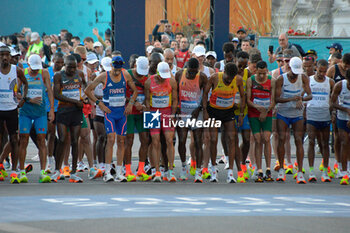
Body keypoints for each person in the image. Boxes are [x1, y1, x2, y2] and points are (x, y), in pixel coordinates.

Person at [84, 56, 138, 182]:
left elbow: (135, 91)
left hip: (121, 113)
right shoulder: (104, 76)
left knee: (121, 141)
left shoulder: (125, 75)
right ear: (111, 66)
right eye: (115, 69)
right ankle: (107, 172)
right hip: (110, 112)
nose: (117, 71)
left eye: (119, 69)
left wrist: (130, 104)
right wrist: (99, 103)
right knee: (111, 139)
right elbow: (88, 90)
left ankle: (119, 172)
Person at [51, 55, 98, 183]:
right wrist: (74, 101)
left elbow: (85, 89)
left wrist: (86, 99)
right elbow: (56, 94)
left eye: (74, 67)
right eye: (69, 67)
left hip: (76, 112)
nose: (72, 70)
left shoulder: (80, 74)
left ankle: (73, 172)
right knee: (62, 140)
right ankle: (57, 170)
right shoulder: (58, 76)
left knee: (75, 141)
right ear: (64, 65)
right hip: (63, 111)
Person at [203, 63, 245, 183]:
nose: (229, 80)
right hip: (214, 112)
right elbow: (205, 93)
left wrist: (241, 114)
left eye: (231, 78)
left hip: (228, 112)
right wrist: (205, 111)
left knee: (232, 139)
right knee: (213, 139)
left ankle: (230, 173)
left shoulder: (238, 80)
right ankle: (213, 171)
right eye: (227, 77)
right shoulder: (215, 77)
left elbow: (243, 96)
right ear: (224, 72)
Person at [275, 57, 312, 183]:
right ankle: (281, 168)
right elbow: (276, 98)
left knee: (298, 141)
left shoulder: (304, 77)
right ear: (289, 67)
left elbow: (310, 95)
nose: (296, 75)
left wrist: (302, 99)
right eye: (294, 72)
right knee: (281, 139)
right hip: (283, 113)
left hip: (297, 113)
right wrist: (291, 99)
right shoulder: (281, 78)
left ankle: (300, 171)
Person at [18, 54, 54, 183]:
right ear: (28, 65)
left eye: (36, 68)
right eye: (33, 69)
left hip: (40, 112)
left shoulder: (44, 73)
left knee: (41, 139)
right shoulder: (22, 72)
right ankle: (21, 171)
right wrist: (28, 99)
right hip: (26, 112)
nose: (35, 71)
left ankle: (43, 172)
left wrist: (51, 110)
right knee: (23, 140)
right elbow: (17, 92)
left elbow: (49, 90)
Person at [144, 62, 178, 182]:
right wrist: (148, 114)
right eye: (162, 75)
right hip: (153, 113)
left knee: (169, 140)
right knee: (155, 141)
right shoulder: (149, 82)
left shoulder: (172, 81)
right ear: (157, 73)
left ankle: (170, 171)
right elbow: (147, 100)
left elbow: (175, 100)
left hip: (167, 112)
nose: (164, 78)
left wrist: (173, 115)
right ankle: (157, 171)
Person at [175, 58, 207, 183]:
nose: (192, 74)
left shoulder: (202, 77)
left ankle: (198, 171)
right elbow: (175, 92)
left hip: (196, 112)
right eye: (190, 72)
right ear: (186, 68)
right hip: (182, 112)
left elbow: (205, 96)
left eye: (195, 72)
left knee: (199, 141)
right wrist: (177, 107)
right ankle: (184, 167)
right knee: (182, 140)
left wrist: (200, 109)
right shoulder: (179, 75)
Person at [0, 46, 28, 184]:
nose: (5, 57)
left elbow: (26, 83)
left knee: (14, 139)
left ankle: (15, 170)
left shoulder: (15, 69)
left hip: (11, 109)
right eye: (2, 55)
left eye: (7, 55)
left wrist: (23, 99)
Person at [247, 60, 275, 182]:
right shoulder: (251, 80)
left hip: (267, 113)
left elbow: (273, 100)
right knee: (258, 139)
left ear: (267, 71)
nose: (262, 76)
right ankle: (259, 170)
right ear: (255, 71)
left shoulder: (272, 80)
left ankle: (268, 168)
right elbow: (248, 100)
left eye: (264, 73)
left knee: (267, 138)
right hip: (254, 113)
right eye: (259, 73)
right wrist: (257, 108)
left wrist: (266, 111)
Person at [306, 59, 334, 182]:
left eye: (324, 71)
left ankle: (325, 171)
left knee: (324, 143)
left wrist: (333, 112)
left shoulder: (330, 82)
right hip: (312, 113)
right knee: (311, 141)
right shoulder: (309, 80)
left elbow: (334, 99)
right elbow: (303, 95)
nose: (322, 73)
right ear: (316, 68)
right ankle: (311, 171)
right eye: (320, 70)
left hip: (325, 114)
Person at [124, 56, 151, 182]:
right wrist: (134, 103)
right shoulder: (126, 74)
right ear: (135, 66)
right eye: (139, 73)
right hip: (129, 111)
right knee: (128, 141)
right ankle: (127, 170)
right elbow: (120, 93)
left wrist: (145, 106)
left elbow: (148, 95)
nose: (141, 75)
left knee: (145, 139)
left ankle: (141, 169)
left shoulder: (148, 77)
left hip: (142, 113)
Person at [326, 53, 350, 176]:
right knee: (339, 139)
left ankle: (347, 166)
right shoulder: (334, 71)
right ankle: (339, 164)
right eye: (345, 65)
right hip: (338, 111)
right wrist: (335, 111)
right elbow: (328, 92)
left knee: (347, 141)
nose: (346, 68)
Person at [331, 69, 350, 185]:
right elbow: (333, 103)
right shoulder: (339, 85)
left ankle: (348, 166)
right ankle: (343, 171)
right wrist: (346, 110)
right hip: (342, 116)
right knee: (344, 141)